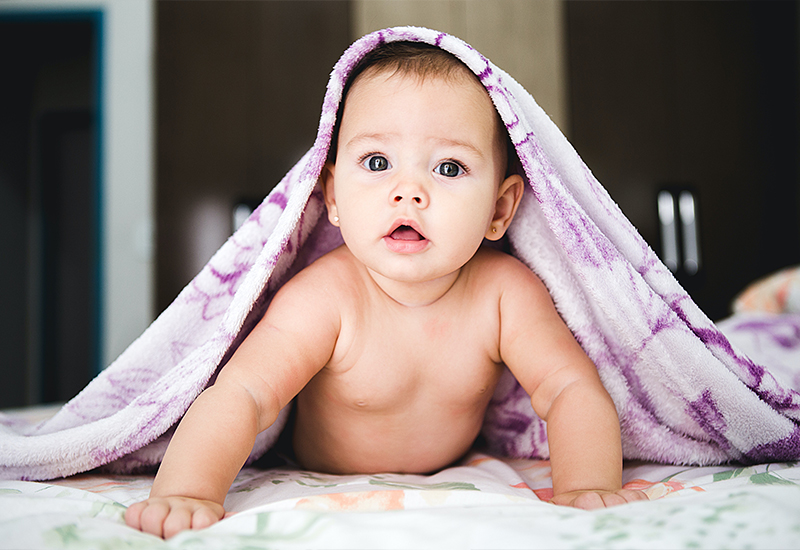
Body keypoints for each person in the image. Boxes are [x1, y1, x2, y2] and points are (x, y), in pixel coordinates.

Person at [125, 42, 648, 539]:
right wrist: (188, 491)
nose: (409, 192)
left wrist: (586, 486)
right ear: (333, 196)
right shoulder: (325, 297)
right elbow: (244, 394)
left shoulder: (505, 294)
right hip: (320, 470)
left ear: (499, 209)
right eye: (377, 162)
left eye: (448, 167)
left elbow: (570, 388)